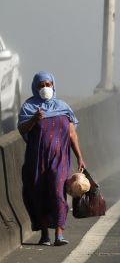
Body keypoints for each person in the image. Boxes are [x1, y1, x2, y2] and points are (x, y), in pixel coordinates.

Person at [17, 72, 85, 246]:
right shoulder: (29, 107)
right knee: (39, 193)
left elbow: (71, 134)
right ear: (35, 87)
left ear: (53, 85)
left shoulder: (63, 107)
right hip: (36, 159)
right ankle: (45, 234)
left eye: (48, 84)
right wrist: (34, 119)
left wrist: (80, 157)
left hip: (60, 158)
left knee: (57, 192)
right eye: (41, 85)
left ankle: (59, 234)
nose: (45, 88)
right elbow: (22, 129)